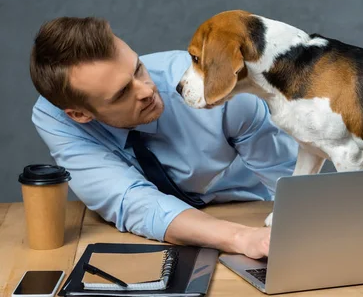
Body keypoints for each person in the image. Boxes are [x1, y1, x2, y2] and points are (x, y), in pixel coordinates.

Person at [29, 16, 299, 259]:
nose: (146, 90)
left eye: (138, 69)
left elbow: (291, 183)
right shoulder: (55, 118)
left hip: (253, 212)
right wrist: (239, 238)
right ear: (79, 114)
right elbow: (132, 202)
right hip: (175, 240)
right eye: (122, 93)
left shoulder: (216, 85)